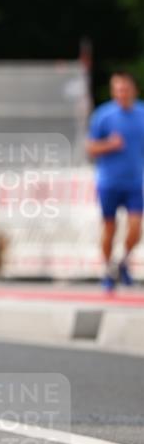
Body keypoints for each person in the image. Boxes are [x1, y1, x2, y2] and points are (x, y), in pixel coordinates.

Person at [86, 72, 144, 291]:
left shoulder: (141, 114)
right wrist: (109, 144)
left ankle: (124, 261)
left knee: (136, 228)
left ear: (133, 90)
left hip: (134, 182)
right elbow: (90, 148)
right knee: (109, 228)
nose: (122, 93)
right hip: (109, 182)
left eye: (125, 89)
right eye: (117, 89)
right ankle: (109, 269)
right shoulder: (103, 116)